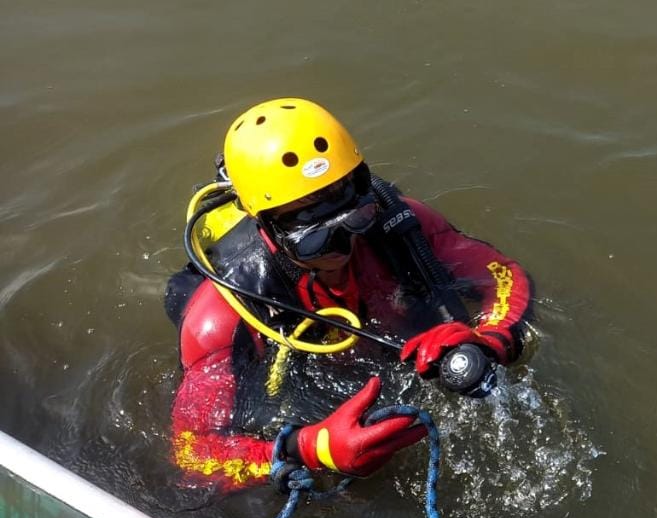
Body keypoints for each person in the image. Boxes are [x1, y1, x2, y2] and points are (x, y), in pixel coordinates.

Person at [165, 98, 531, 490]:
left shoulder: (402, 227)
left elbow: (502, 276)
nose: (344, 246)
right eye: (315, 239)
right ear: (267, 227)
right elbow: (193, 453)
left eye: (357, 218)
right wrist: (309, 449)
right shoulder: (221, 316)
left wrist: (489, 340)